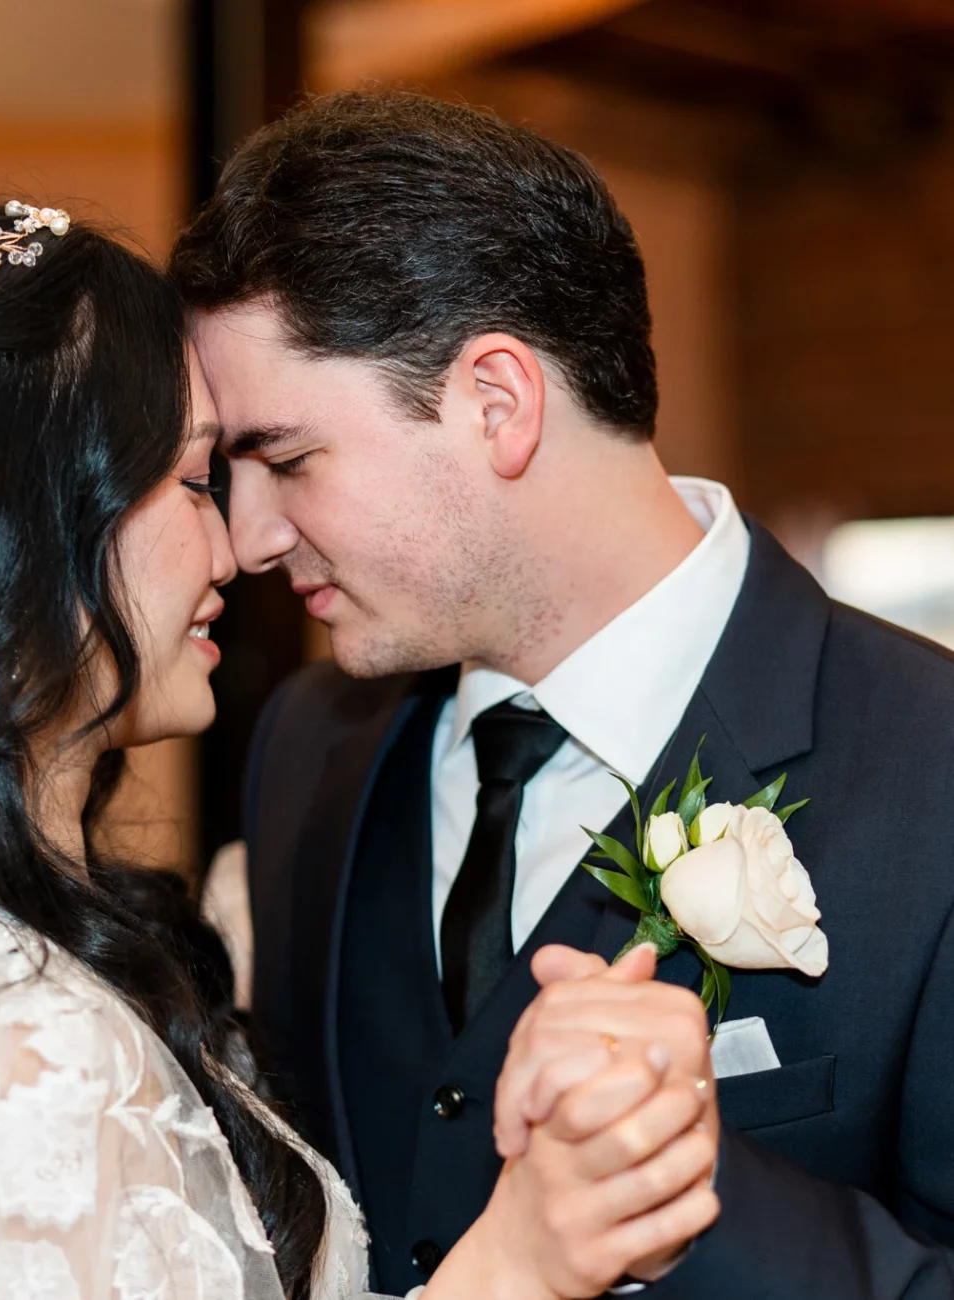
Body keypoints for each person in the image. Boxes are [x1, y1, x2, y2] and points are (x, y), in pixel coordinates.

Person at [0, 190, 714, 1300]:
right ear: (25, 541)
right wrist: (514, 1268)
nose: (240, 544)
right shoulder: (13, 1049)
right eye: (199, 476)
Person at [172, 89, 954, 1299]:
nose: (251, 537)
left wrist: (682, 1189)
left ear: (496, 401)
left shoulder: (932, 770)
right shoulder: (306, 744)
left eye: (283, 459)